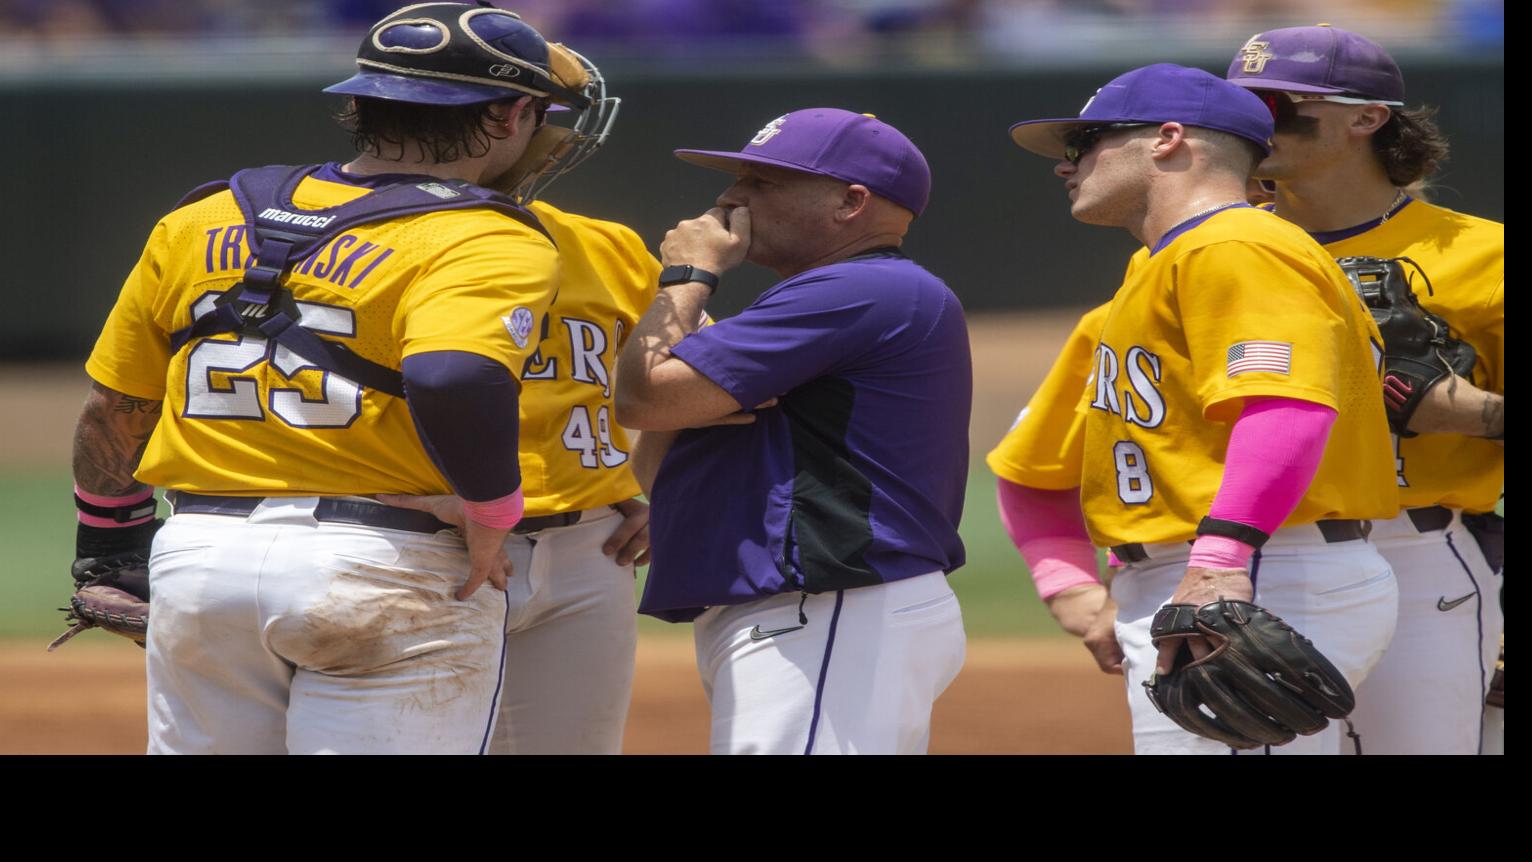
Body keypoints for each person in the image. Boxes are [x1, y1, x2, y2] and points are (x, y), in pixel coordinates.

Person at [69, 2, 590, 754]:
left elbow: (115, 405)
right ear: (512, 114)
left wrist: (108, 542)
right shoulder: (483, 234)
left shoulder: (203, 216)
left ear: (358, 103)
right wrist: (492, 511)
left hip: (202, 558)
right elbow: (451, 377)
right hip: (386, 567)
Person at [1009, 63, 1400, 754]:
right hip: (1217, 571)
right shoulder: (1154, 270)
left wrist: (1220, 564)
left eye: (1085, 143)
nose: (1067, 167)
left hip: (1260, 570)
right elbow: (1031, 465)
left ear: (1166, 138)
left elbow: (1286, 406)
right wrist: (1072, 587)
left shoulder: (1237, 245)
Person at [614, 108, 971, 755]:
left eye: (763, 182)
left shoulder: (857, 291)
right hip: (816, 612)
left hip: (831, 607)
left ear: (851, 202)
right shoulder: (818, 304)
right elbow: (655, 456)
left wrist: (688, 279)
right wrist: (688, 389)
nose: (731, 197)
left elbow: (638, 396)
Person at [1226, 24, 1505, 754]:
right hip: (1261, 560)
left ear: (1367, 117)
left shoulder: (1484, 254)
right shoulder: (1214, 251)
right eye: (1242, 106)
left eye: (1279, 105)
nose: (1257, 123)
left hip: (1426, 560)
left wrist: (1468, 413)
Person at [385, 48, 660, 754]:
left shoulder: (608, 247)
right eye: (546, 116)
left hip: (588, 546)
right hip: (419, 540)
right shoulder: (357, 238)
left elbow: (697, 384)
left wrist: (654, 484)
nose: (560, 136)